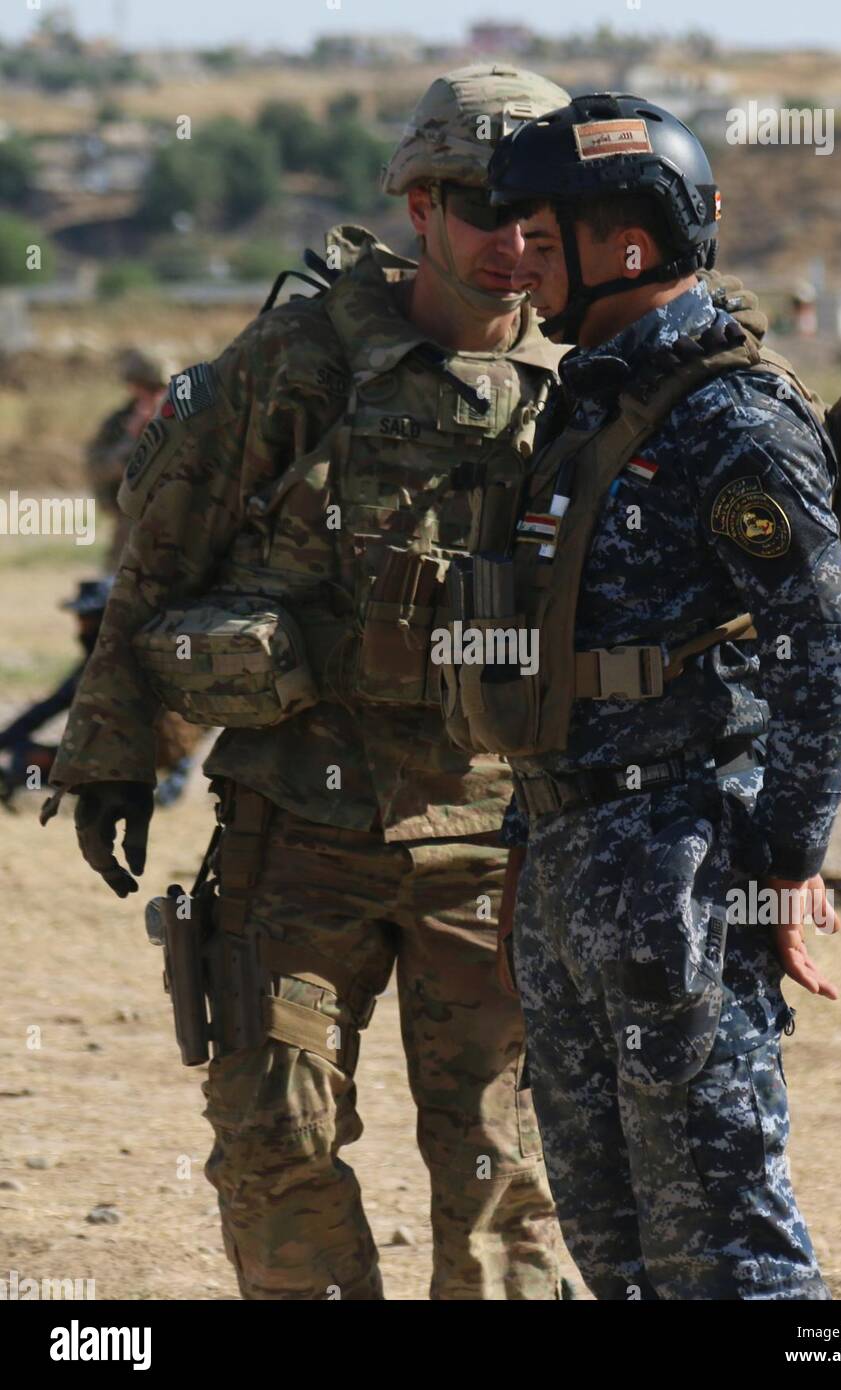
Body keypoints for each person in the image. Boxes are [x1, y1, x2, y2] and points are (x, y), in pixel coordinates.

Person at [44, 64, 572, 1301]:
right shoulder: (299, 359)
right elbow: (160, 556)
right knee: (273, 1142)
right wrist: (118, 752)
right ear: (418, 205)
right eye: (479, 209)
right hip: (296, 831)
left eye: (533, 220)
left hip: (500, 847)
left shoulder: (594, 381)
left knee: (504, 1174)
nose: (507, 244)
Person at [444, 92, 841, 1299]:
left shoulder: (729, 417)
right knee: (612, 1238)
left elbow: (830, 655)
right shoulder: (583, 410)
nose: (519, 253)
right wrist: (532, 842)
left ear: (626, 247)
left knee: (724, 1245)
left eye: (547, 231)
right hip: (575, 859)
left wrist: (780, 859)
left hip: (680, 868)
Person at [0, 578, 192, 808]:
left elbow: (180, 729)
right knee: (29, 757)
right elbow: (48, 709)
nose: (81, 626)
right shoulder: (103, 661)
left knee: (29, 760)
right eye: (81, 618)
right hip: (117, 762)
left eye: (88, 618)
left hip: (126, 762)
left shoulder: (131, 661)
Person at [86, 349, 170, 570]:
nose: (155, 397)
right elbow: (97, 467)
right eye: (148, 389)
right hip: (132, 523)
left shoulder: (192, 419)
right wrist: (132, 438)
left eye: (160, 389)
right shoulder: (119, 424)